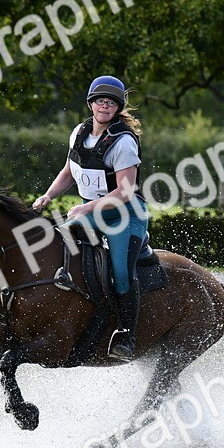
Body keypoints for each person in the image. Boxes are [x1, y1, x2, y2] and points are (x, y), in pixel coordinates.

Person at [32, 75, 148, 361]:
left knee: (121, 272)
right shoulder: (80, 132)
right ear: (91, 104)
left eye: (110, 103)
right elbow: (69, 172)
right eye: (100, 101)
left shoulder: (123, 142)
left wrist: (86, 207)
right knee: (58, 245)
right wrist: (48, 195)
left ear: (118, 108)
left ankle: (126, 336)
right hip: (94, 214)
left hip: (125, 216)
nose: (104, 107)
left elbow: (125, 190)